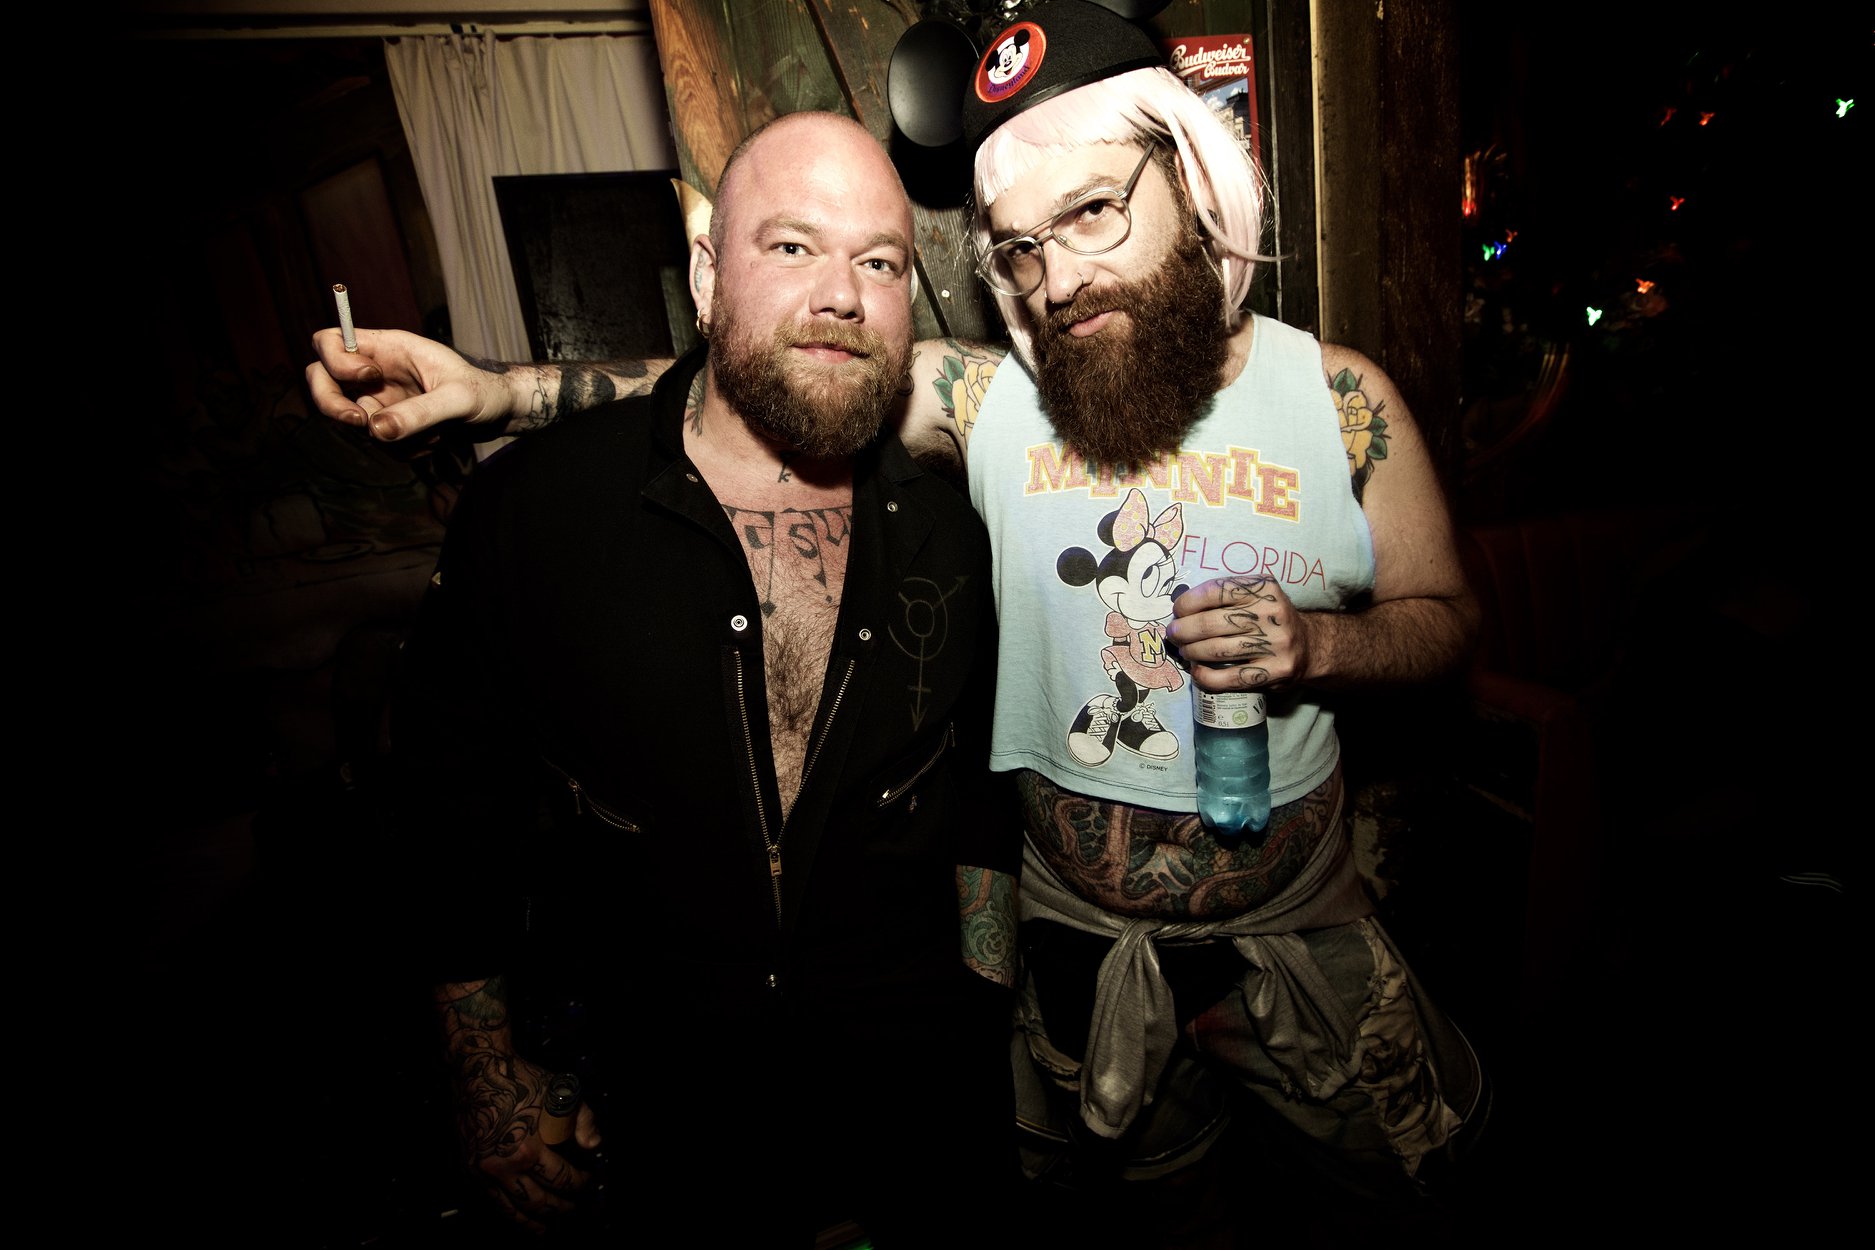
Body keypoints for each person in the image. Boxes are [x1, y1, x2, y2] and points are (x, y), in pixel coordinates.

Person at [312, 3, 1485, 1242]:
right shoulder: (992, 398)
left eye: (1094, 211)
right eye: (1021, 247)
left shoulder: (1341, 400)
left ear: (1191, 183)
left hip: (1297, 929)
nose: (1060, 278)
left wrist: (1323, 646)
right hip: (1081, 952)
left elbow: (1450, 618)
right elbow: (775, 360)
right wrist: (499, 391)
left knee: (1406, 1191)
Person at [371, 110, 1019, 1247]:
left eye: (879, 262)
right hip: (657, 1115)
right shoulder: (538, 512)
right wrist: (486, 1069)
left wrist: (983, 1013)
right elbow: (445, 808)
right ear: (708, 272)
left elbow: (971, 797)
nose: (841, 294)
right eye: (793, 245)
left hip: (910, 1110)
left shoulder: (946, 533)